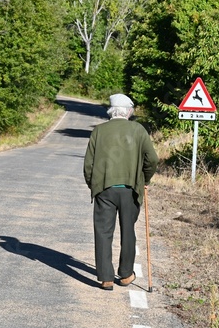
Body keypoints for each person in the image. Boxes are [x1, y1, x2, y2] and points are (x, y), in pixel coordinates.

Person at [83, 93, 159, 291]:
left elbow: (88, 165)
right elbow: (152, 159)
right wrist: (145, 179)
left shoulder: (98, 131)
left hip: (104, 189)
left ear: (111, 110)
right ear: (129, 112)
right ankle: (125, 275)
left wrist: (94, 185)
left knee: (103, 232)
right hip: (130, 189)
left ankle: (106, 278)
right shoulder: (138, 130)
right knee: (128, 231)